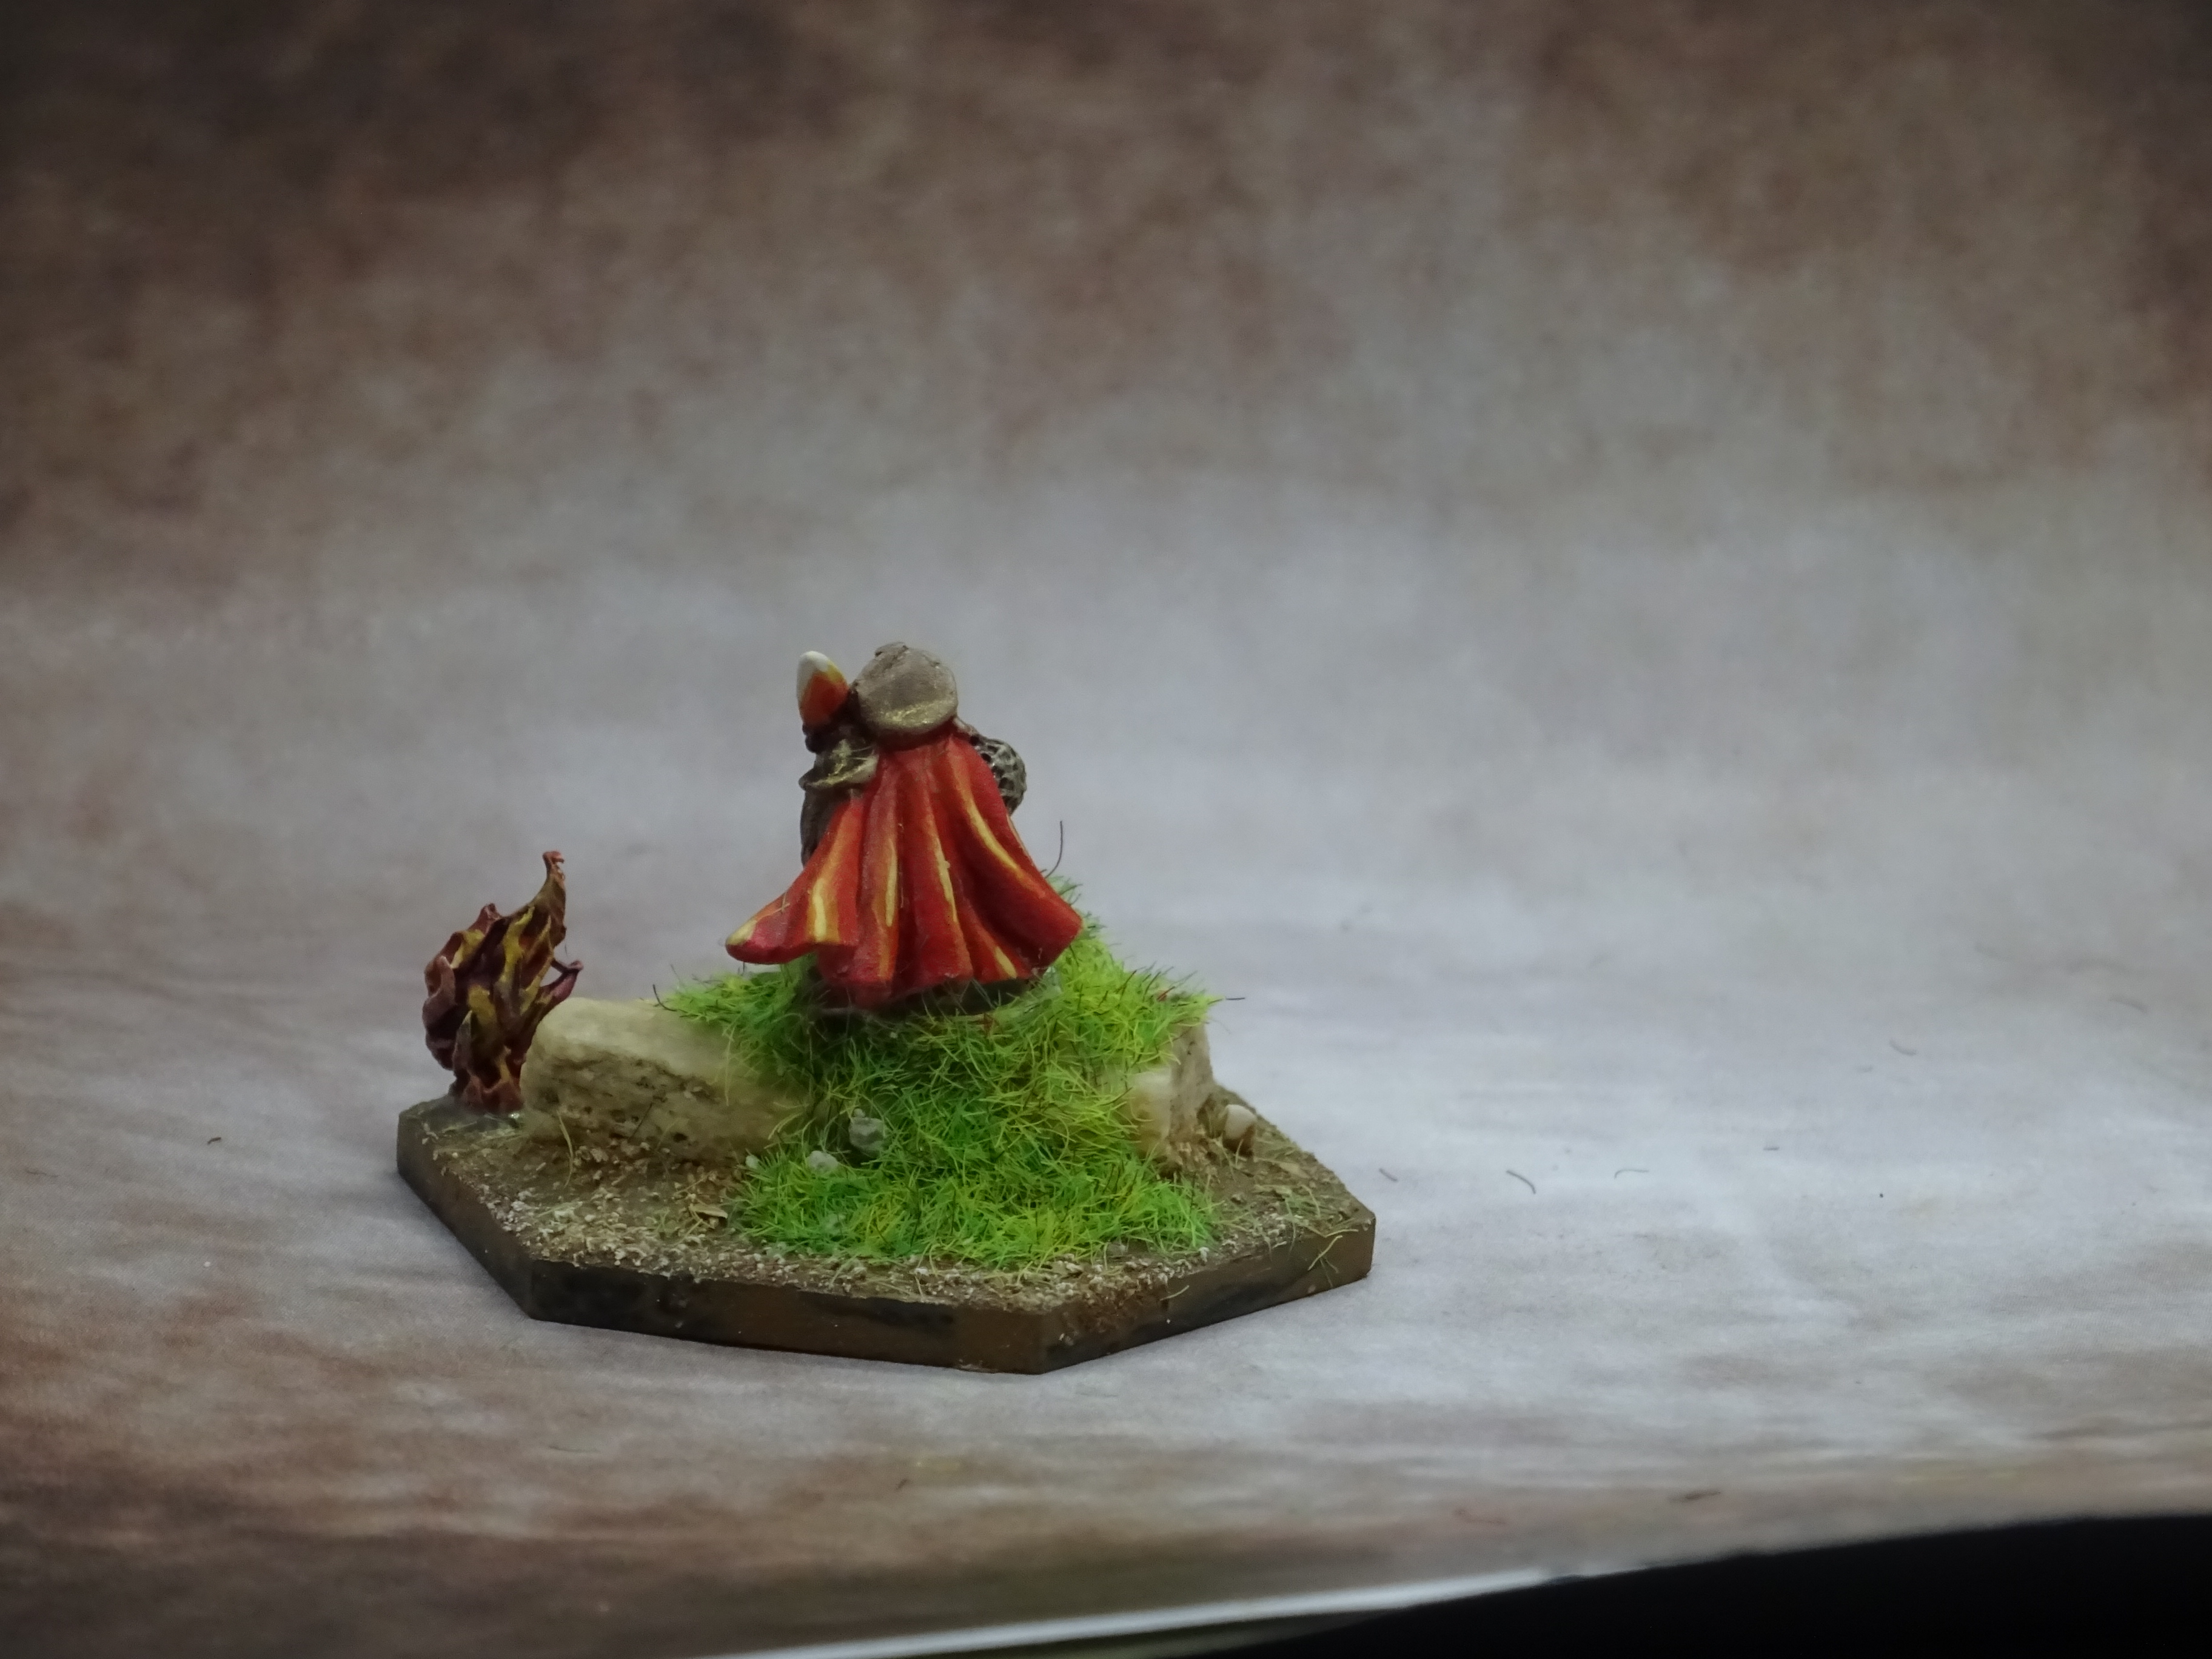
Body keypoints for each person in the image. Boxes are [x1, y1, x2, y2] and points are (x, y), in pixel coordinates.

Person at [726, 643, 1084, 1008]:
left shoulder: (949, 764)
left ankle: (950, 978)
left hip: (945, 875)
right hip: (898, 867)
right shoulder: (883, 775)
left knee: (944, 897)